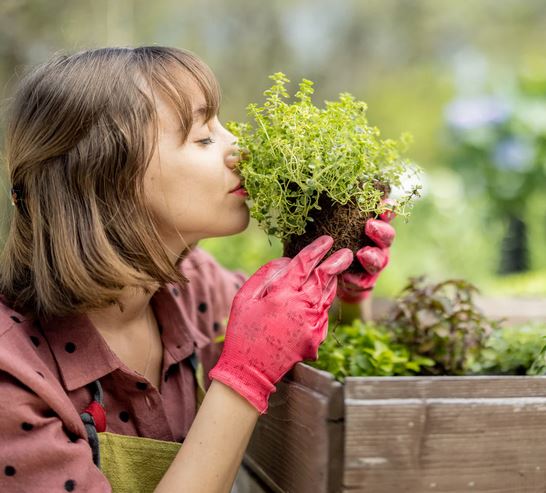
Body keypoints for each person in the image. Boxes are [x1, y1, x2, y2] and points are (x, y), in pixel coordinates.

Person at [0, 46, 395, 493]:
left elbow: (295, 343)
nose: (239, 150)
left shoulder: (196, 286)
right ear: (105, 178)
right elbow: (257, 363)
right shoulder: (11, 376)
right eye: (203, 138)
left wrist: (342, 295)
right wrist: (244, 380)